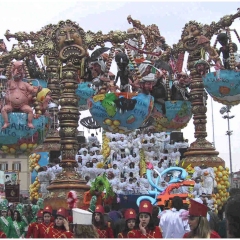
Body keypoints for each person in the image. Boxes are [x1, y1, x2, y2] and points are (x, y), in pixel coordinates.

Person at [1, 61, 41, 129]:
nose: (17, 73)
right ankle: (6, 122)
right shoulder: (9, 82)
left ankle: (29, 122)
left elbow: (32, 89)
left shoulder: (25, 84)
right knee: (3, 110)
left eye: (19, 71)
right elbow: (2, 86)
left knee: (30, 110)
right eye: (15, 71)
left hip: (23, 105)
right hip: (10, 105)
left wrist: (37, 89)